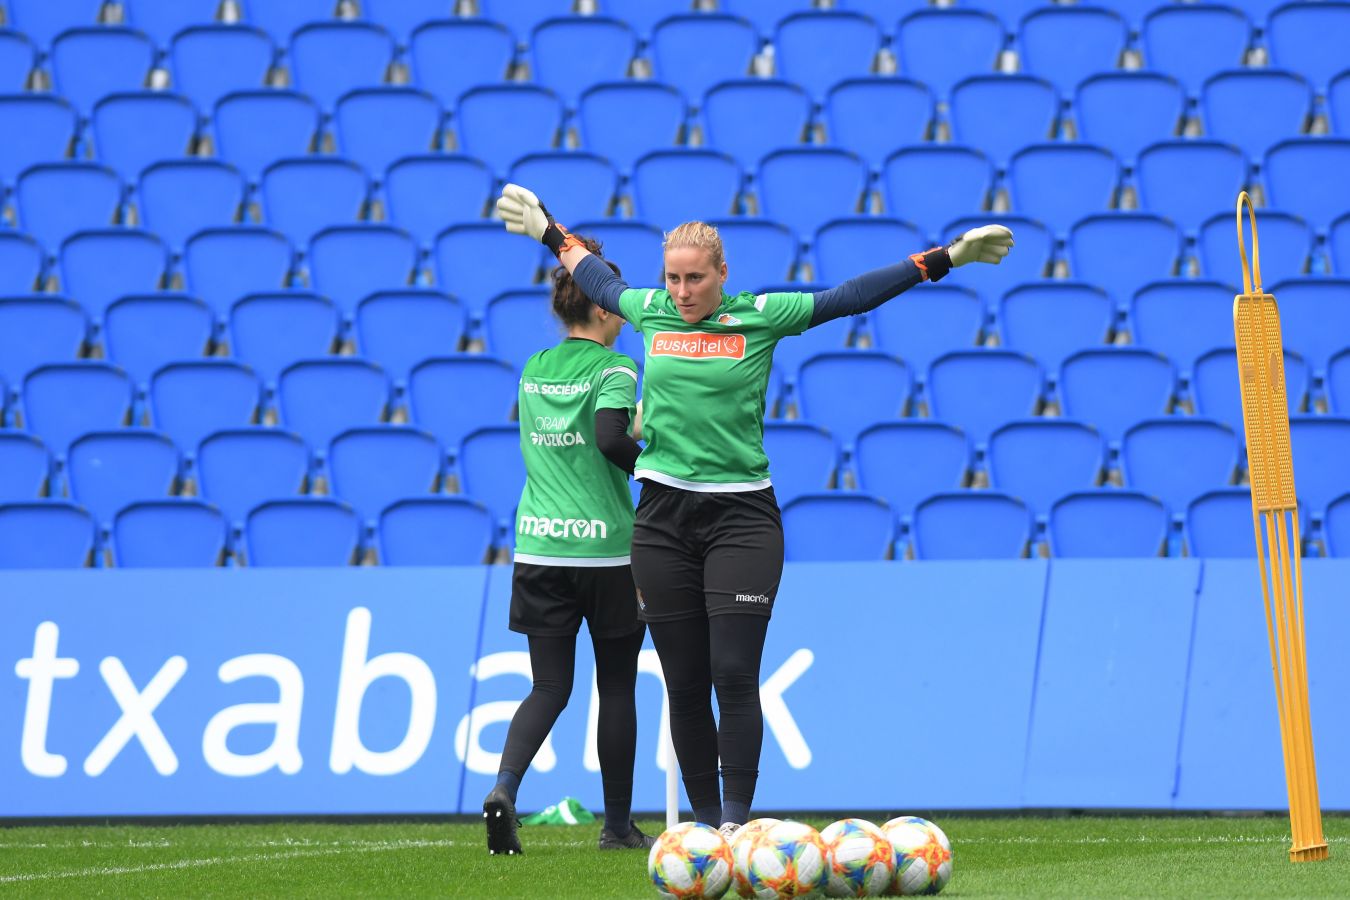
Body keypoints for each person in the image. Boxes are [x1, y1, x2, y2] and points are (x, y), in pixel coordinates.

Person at [496, 184, 1014, 838]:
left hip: (741, 517)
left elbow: (848, 297)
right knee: (683, 684)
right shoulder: (649, 311)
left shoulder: (762, 315)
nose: (682, 292)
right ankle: (709, 832)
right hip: (660, 520)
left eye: (695, 279)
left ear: (722, 275)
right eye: (673, 279)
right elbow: (594, 277)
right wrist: (548, 230)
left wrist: (944, 259)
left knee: (733, 672)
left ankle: (740, 827)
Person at [482, 236, 656, 855]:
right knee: (616, 687)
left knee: (549, 687)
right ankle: (617, 827)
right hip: (607, 551)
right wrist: (654, 468)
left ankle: (504, 788)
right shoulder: (616, 367)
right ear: (605, 309)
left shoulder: (534, 369)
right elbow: (610, 440)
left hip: (537, 547)